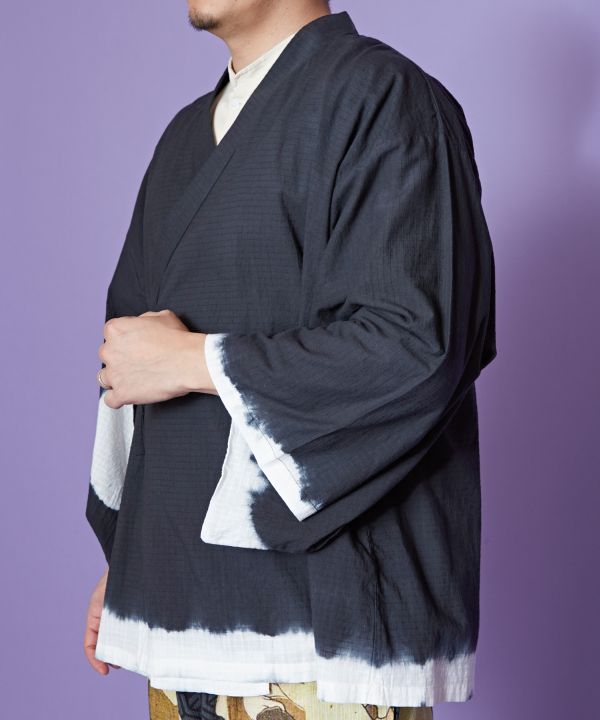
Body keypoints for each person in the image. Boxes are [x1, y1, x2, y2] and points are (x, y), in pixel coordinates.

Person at [83, 3, 497, 719]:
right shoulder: (183, 137)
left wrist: (196, 361)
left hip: (324, 639)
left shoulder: (386, 97)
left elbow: (415, 347)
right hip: (175, 621)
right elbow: (133, 360)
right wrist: (130, 562)